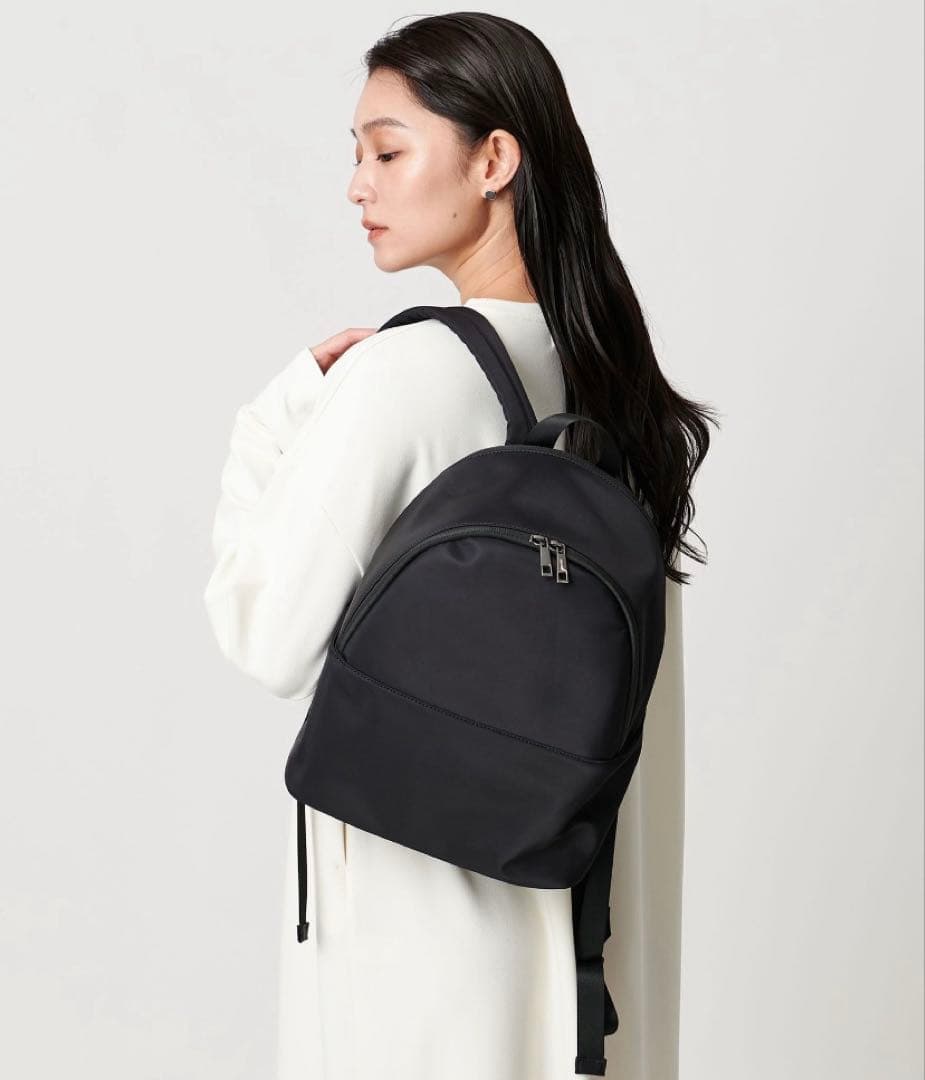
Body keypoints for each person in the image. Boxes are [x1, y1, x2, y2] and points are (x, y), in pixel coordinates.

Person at [204, 12, 714, 1080]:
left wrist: (273, 417)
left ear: (493, 161)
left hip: (422, 961)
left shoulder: (402, 379)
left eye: (387, 151)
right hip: (589, 954)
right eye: (356, 155)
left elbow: (263, 634)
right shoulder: (617, 391)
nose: (357, 185)